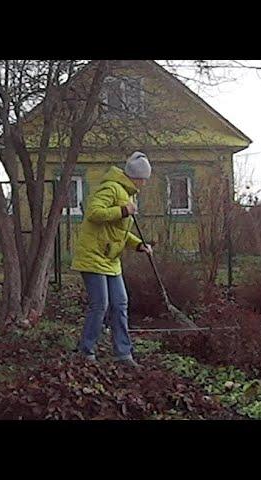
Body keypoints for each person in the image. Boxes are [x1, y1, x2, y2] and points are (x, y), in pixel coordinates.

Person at [71, 151, 154, 367]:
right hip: (93, 255)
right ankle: (86, 352)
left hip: (110, 259)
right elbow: (94, 213)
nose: (144, 183)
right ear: (136, 177)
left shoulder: (129, 194)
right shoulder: (111, 188)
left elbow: (118, 232)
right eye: (144, 178)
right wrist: (123, 210)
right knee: (100, 304)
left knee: (120, 303)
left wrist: (138, 245)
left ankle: (123, 354)